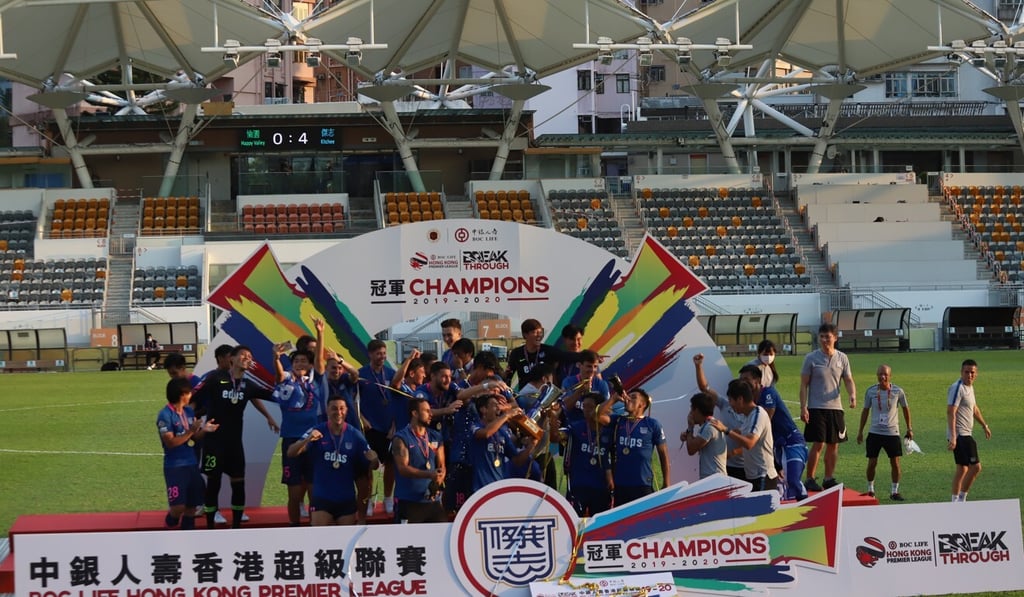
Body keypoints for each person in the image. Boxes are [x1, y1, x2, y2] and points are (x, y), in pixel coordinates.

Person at [192, 345, 279, 528]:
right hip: (214, 443)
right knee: (213, 485)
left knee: (238, 484)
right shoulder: (215, 378)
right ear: (232, 358)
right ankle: (209, 527)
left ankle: (236, 527)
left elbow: (276, 395)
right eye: (243, 355)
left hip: (234, 445)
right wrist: (192, 422)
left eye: (250, 357)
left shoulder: (248, 385)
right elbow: (191, 398)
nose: (247, 359)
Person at [287, 395, 379, 526]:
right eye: (334, 409)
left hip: (346, 501)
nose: (338, 412)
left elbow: (373, 466)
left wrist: (374, 459)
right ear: (328, 410)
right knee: (320, 541)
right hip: (322, 500)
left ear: (346, 410)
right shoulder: (318, 431)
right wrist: (307, 440)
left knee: (345, 542)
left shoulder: (355, 435)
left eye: (342, 408)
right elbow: (291, 452)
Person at [271, 336, 324, 525]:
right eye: (296, 361)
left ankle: (312, 528)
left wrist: (320, 333)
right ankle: (294, 527)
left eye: (304, 361)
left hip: (312, 440)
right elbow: (278, 376)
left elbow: (319, 361)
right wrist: (276, 358)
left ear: (310, 364)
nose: (300, 363)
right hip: (291, 439)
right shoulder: (286, 379)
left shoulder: (315, 379)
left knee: (313, 491)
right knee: (293, 492)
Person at [799, 323, 856, 492]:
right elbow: (803, 385)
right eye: (821, 336)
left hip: (836, 408)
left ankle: (829, 478)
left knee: (834, 444)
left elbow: (848, 380)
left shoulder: (842, 358)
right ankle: (809, 478)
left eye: (827, 336)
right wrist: (804, 407)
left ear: (835, 338)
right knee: (819, 443)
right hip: (817, 407)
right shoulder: (811, 358)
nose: (824, 340)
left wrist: (852, 395)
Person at [739, 364, 808, 501]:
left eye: (746, 380)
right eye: (741, 380)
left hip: (790, 441)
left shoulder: (768, 393)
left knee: (793, 480)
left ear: (758, 380)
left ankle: (807, 506)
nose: (743, 383)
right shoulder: (750, 401)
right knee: (779, 484)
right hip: (775, 446)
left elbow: (765, 421)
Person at [157, 378, 218, 530]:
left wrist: (204, 430)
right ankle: (168, 528)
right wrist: (191, 430)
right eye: (188, 392)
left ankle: (187, 538)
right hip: (175, 466)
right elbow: (170, 443)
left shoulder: (189, 412)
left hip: (191, 463)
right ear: (181, 394)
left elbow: (194, 437)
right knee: (178, 508)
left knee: (192, 506)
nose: (191, 395)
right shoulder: (165, 416)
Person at [600, 388, 669, 505]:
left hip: (642, 484)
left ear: (642, 404)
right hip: (621, 484)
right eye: (628, 396)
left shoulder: (652, 424)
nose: (628, 399)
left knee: (644, 521)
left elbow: (663, 454)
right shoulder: (618, 420)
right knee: (622, 521)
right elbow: (598, 415)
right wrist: (614, 398)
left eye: (633, 397)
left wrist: (666, 483)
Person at [548, 392, 613, 516]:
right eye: (584, 406)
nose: (586, 410)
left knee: (599, 526)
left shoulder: (609, 430)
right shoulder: (575, 428)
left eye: (590, 406)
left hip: (601, 487)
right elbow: (555, 438)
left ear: (599, 408)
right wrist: (554, 418)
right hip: (578, 486)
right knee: (574, 522)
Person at [708, 380, 778, 492]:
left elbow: (749, 443)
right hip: (754, 476)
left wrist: (725, 429)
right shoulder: (748, 416)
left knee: (760, 510)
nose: (731, 405)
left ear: (740, 399)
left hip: (763, 476)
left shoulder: (758, 414)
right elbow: (739, 432)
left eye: (731, 400)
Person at [856, 364, 912, 501]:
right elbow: (865, 411)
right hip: (875, 432)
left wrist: (909, 428)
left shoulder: (898, 391)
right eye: (880, 374)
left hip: (892, 433)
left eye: (885, 374)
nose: (882, 377)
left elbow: (905, 409)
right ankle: (870, 490)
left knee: (895, 463)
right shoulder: (870, 391)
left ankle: (894, 491)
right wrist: (860, 431)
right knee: (872, 462)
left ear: (890, 376)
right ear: (877, 375)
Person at [357, 339, 397, 516]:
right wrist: (362, 419)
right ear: (370, 354)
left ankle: (388, 498)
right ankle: (370, 500)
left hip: (389, 428)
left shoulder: (392, 373)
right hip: (370, 428)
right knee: (369, 465)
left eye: (383, 353)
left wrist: (395, 425)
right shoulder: (361, 374)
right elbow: (353, 400)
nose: (382, 357)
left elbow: (399, 401)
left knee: (391, 465)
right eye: (378, 354)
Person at [391, 397, 447, 523]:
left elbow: (442, 465)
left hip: (433, 501)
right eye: (426, 411)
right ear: (415, 413)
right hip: (409, 501)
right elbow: (403, 468)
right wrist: (429, 474)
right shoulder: (401, 438)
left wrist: (439, 478)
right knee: (408, 542)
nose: (431, 414)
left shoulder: (435, 436)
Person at [469, 393, 537, 491]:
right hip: (479, 487)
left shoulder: (502, 432)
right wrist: (507, 415)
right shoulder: (475, 426)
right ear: (483, 409)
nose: (499, 408)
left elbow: (517, 460)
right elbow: (486, 433)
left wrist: (532, 445)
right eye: (495, 405)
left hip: (499, 487)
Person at [693, 353, 746, 480]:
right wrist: (698, 366)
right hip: (725, 465)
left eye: (732, 398)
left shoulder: (752, 414)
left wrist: (733, 452)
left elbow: (752, 443)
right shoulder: (725, 405)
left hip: (745, 466)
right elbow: (704, 388)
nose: (730, 401)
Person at [947, 359, 991, 503]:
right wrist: (953, 437)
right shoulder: (957, 388)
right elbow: (951, 411)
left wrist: (984, 425)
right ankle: (961, 500)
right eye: (966, 372)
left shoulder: (970, 388)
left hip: (965, 434)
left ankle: (954, 502)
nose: (969, 375)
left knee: (962, 469)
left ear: (976, 374)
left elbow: (974, 409)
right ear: (961, 372)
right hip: (961, 435)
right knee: (976, 467)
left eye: (972, 372)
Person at [504, 319, 587, 391]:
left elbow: (566, 356)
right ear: (525, 334)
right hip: (526, 396)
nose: (539, 335)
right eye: (534, 332)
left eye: (540, 332)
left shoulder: (548, 350)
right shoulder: (516, 353)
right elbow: (508, 377)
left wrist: (590, 356)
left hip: (546, 397)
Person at [680, 392, 727, 479]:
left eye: (691, 410)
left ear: (697, 410)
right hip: (712, 477)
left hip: (715, 478)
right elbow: (700, 444)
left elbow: (691, 449)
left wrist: (690, 428)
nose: (690, 414)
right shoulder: (707, 425)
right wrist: (688, 437)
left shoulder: (710, 427)